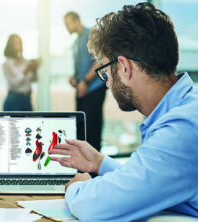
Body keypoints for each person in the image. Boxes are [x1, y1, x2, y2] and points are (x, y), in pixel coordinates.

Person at [50, 3, 198, 221]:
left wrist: (77, 187)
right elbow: (151, 180)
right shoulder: (186, 110)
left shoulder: (181, 129)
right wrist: (99, 163)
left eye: (106, 72)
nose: (108, 83)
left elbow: (94, 207)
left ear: (125, 67)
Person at [64, 11, 107, 152]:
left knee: (93, 131)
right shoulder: (76, 42)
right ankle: (83, 168)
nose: (67, 27)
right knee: (81, 131)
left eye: (68, 24)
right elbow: (81, 68)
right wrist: (75, 78)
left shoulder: (91, 34)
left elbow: (100, 60)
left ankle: (95, 172)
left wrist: (86, 82)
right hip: (82, 91)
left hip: (93, 89)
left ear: (77, 20)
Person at [2, 34, 41, 111]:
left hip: (27, 99)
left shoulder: (26, 62)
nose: (20, 45)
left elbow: (34, 79)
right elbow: (14, 84)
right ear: (11, 45)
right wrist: (25, 72)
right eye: (17, 43)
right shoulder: (6, 64)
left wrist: (34, 69)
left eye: (20, 42)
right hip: (14, 99)